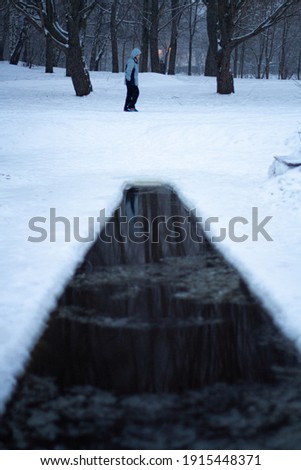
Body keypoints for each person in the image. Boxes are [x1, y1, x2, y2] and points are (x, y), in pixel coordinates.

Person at [124, 48, 142, 112]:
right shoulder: (131, 61)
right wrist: (129, 80)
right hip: (131, 82)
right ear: (135, 55)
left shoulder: (135, 62)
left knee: (130, 94)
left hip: (132, 82)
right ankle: (129, 106)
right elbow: (128, 71)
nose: (139, 56)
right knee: (136, 93)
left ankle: (129, 107)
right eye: (138, 55)